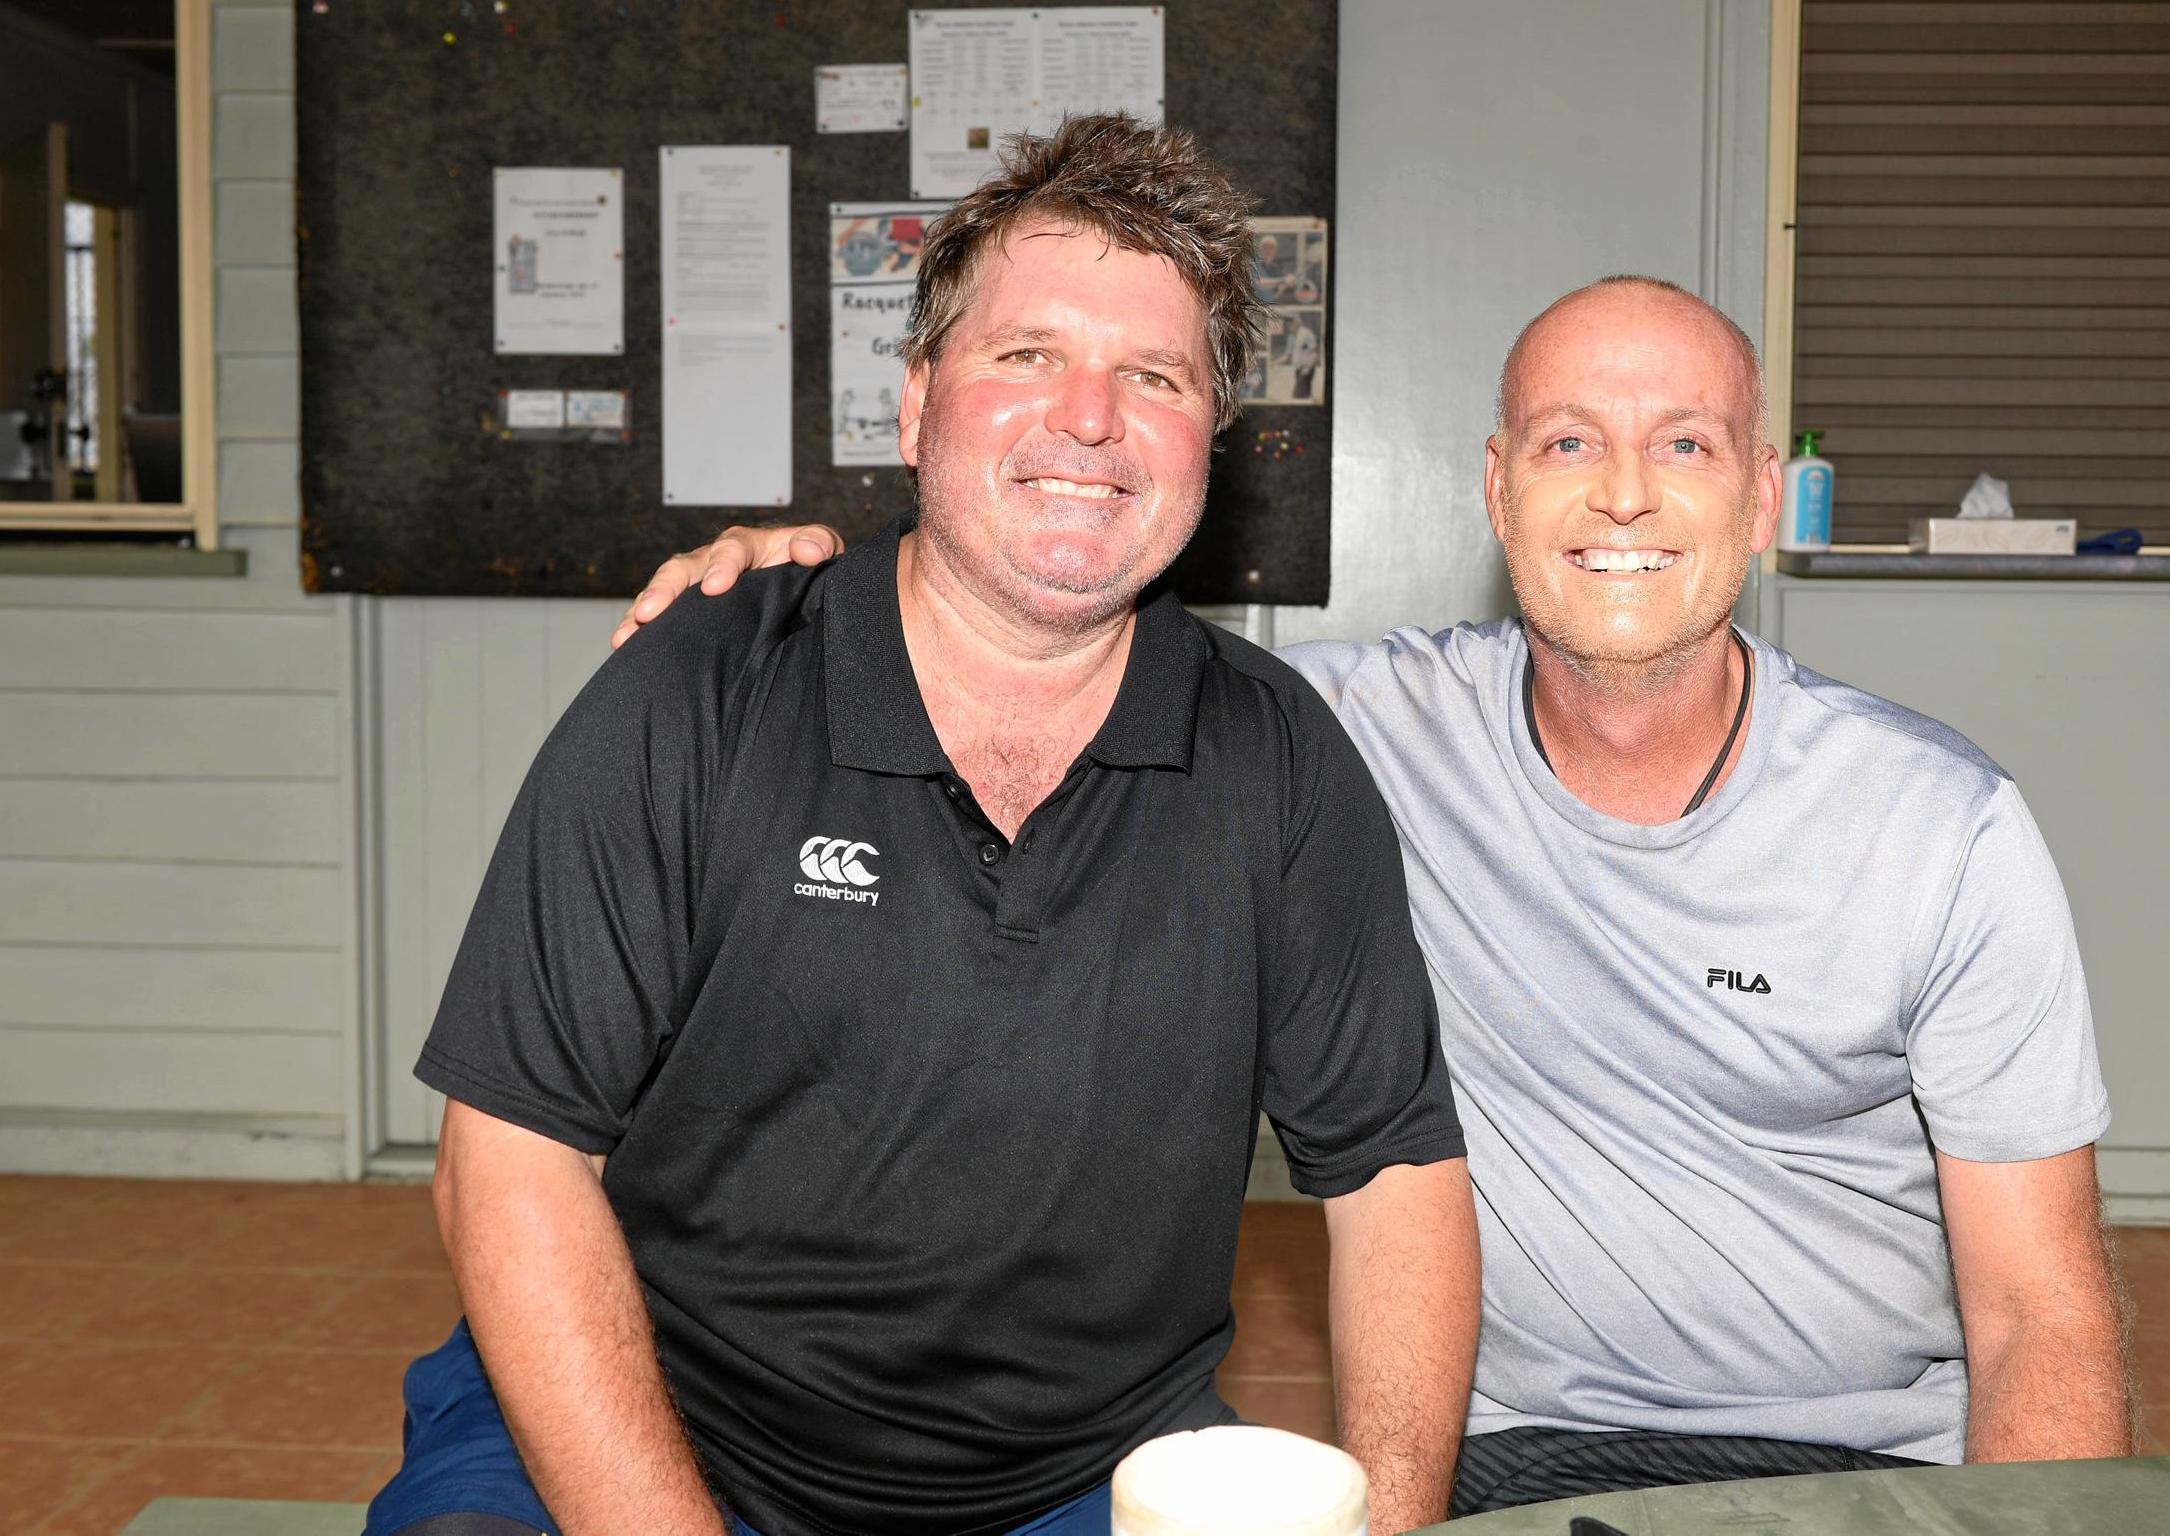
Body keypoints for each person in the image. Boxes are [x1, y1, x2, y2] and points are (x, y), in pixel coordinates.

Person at [628, 274, 2134, 1515]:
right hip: (1518, 1462)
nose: (1620, 492)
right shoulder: (1334, 738)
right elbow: (1039, 636)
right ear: (1493, 486)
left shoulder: (1937, 825)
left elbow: (2036, 1315)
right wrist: (801, 584)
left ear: (1759, 499)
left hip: (1859, 1464)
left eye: (1683, 446)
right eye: (1563, 443)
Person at [371, 115, 1478, 1536]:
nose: (1090, 415)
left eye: (1153, 375)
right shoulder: (698, 687)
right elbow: (507, 1160)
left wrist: (1391, 1523)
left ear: (1211, 440)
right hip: (637, 1420)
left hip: (1077, 1475)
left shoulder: (1278, 761)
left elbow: (1393, 1172)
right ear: (913, 407)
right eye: (1028, 355)